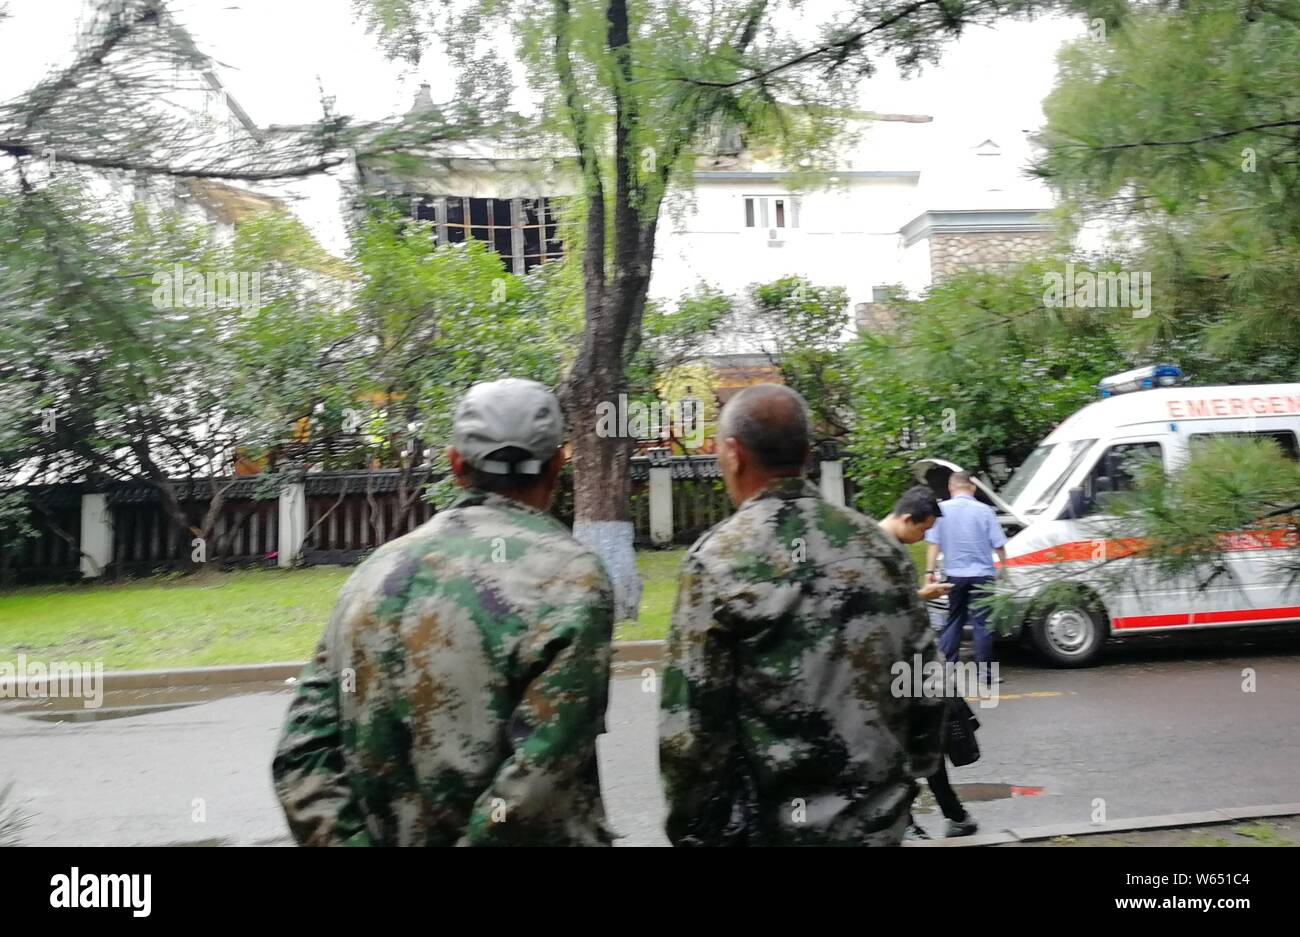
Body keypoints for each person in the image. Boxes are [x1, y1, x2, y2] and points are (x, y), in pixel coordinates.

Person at [272, 379, 615, 846]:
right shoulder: (572, 578)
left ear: (455, 465)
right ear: (558, 464)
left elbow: (302, 754)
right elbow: (538, 779)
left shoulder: (374, 571)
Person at [659, 384, 945, 846]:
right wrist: (909, 780)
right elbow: (927, 684)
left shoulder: (717, 561)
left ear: (733, 454)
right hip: (876, 827)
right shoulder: (881, 550)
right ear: (808, 454)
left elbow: (691, 731)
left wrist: (694, 829)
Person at [880, 485, 979, 839]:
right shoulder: (880, 550)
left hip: (909, 666)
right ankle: (909, 822)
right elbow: (880, 611)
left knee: (926, 739)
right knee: (905, 745)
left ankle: (949, 815)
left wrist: (922, 594)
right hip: (892, 669)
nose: (923, 536)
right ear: (907, 519)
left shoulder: (888, 548)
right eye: (922, 530)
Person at [924, 472, 1007, 685]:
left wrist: (929, 573)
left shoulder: (941, 511)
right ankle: (986, 675)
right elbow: (998, 543)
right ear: (972, 488)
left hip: (955, 576)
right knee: (982, 623)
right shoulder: (984, 510)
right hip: (982, 576)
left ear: (951, 488)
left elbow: (933, 544)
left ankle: (946, 668)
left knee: (954, 620)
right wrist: (1004, 567)